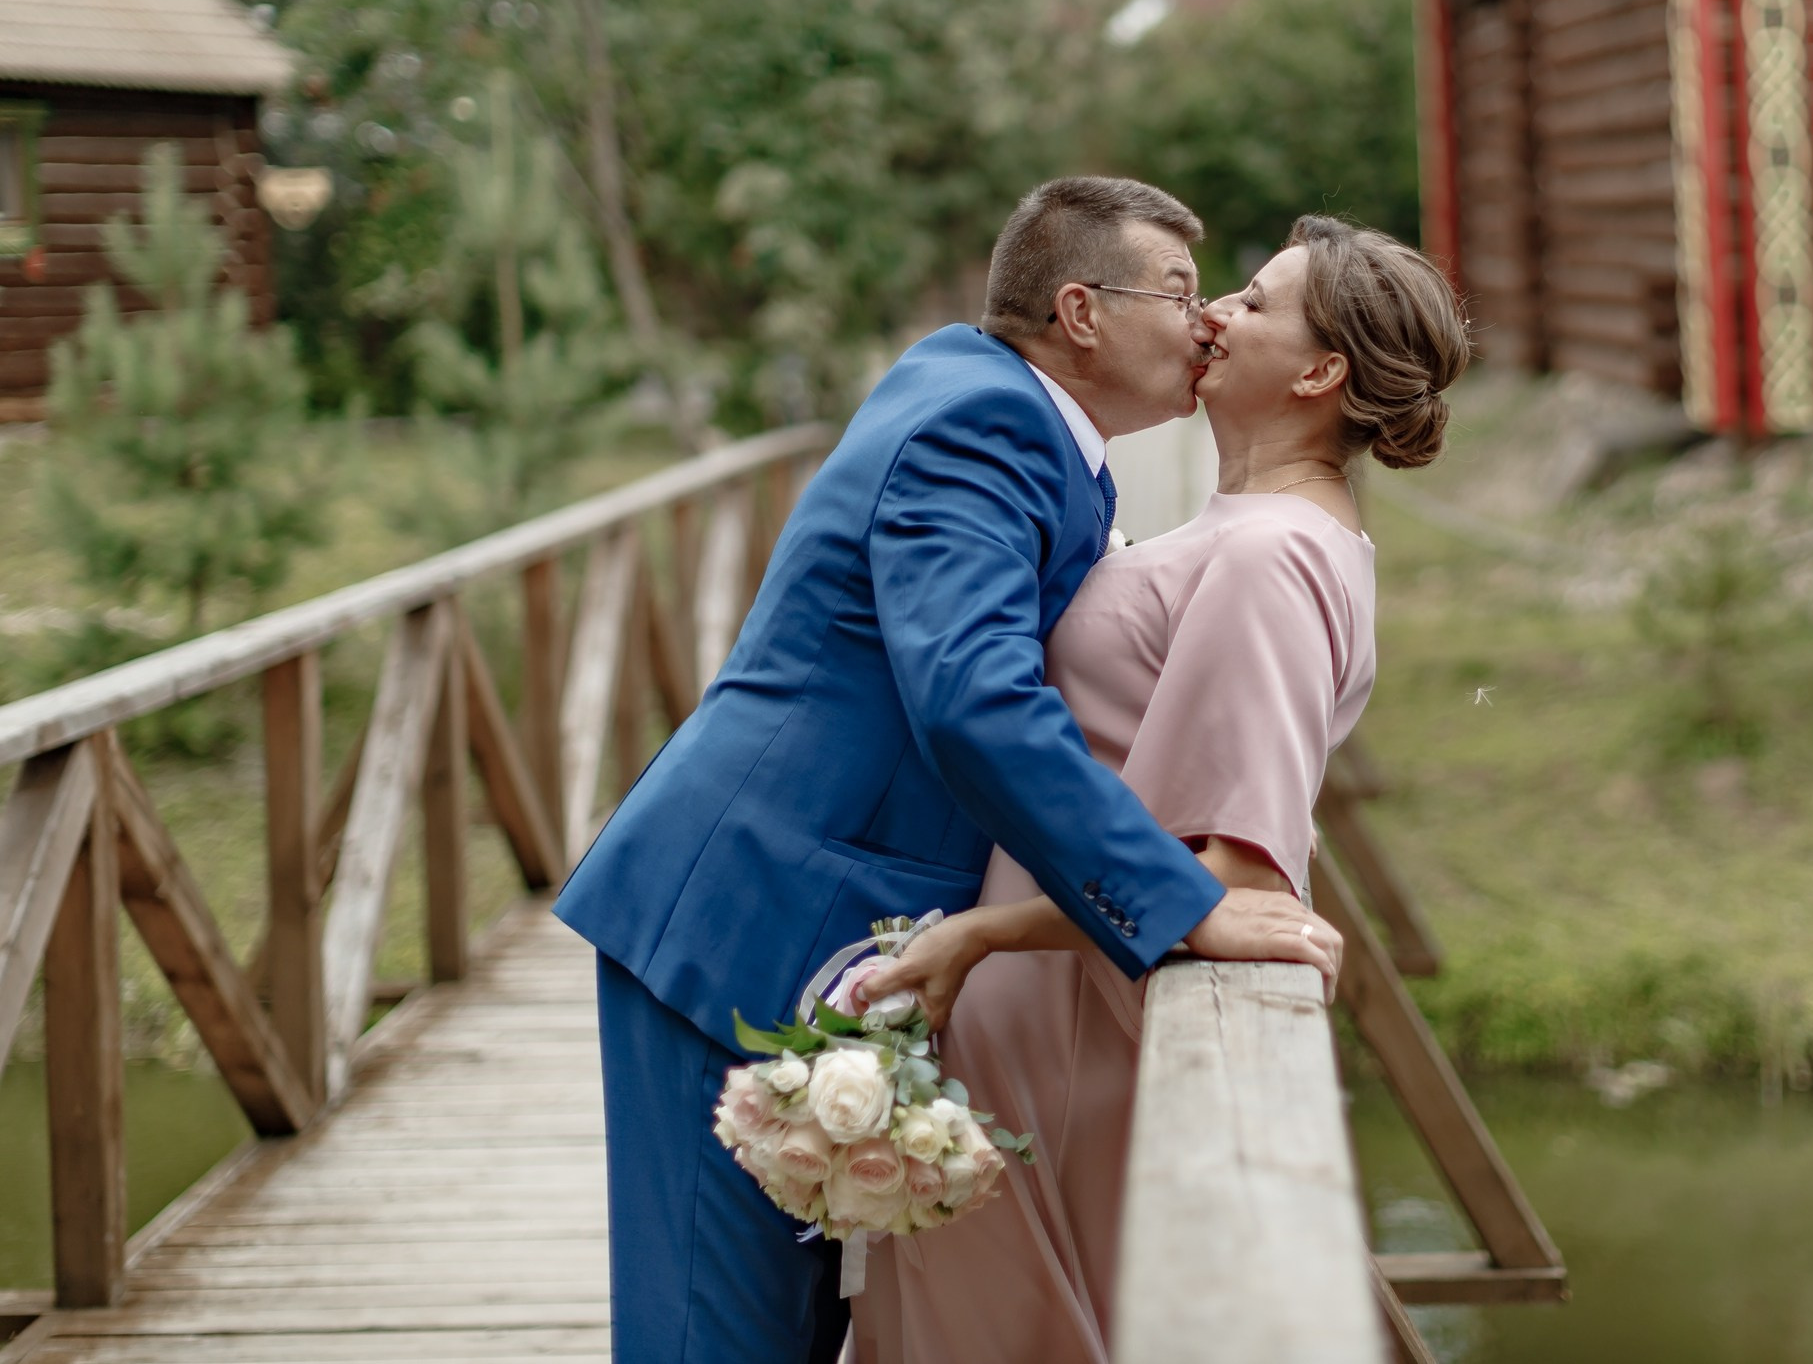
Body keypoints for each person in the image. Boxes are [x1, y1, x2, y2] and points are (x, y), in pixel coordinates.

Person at [553, 178, 1347, 1364]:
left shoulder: (1021, 421)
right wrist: (1181, 903)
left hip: (830, 925)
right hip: (743, 920)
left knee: (789, 1330)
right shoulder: (980, 423)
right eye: (1179, 293)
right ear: (1081, 312)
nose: (1205, 324)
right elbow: (976, 701)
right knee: (711, 1342)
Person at [845, 214, 1470, 1362]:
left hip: (1069, 1026)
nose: (1215, 315)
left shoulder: (1269, 557)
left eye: (1255, 302)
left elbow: (1229, 874)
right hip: (1053, 1001)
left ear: (1322, 372)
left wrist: (980, 936)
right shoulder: (1250, 532)